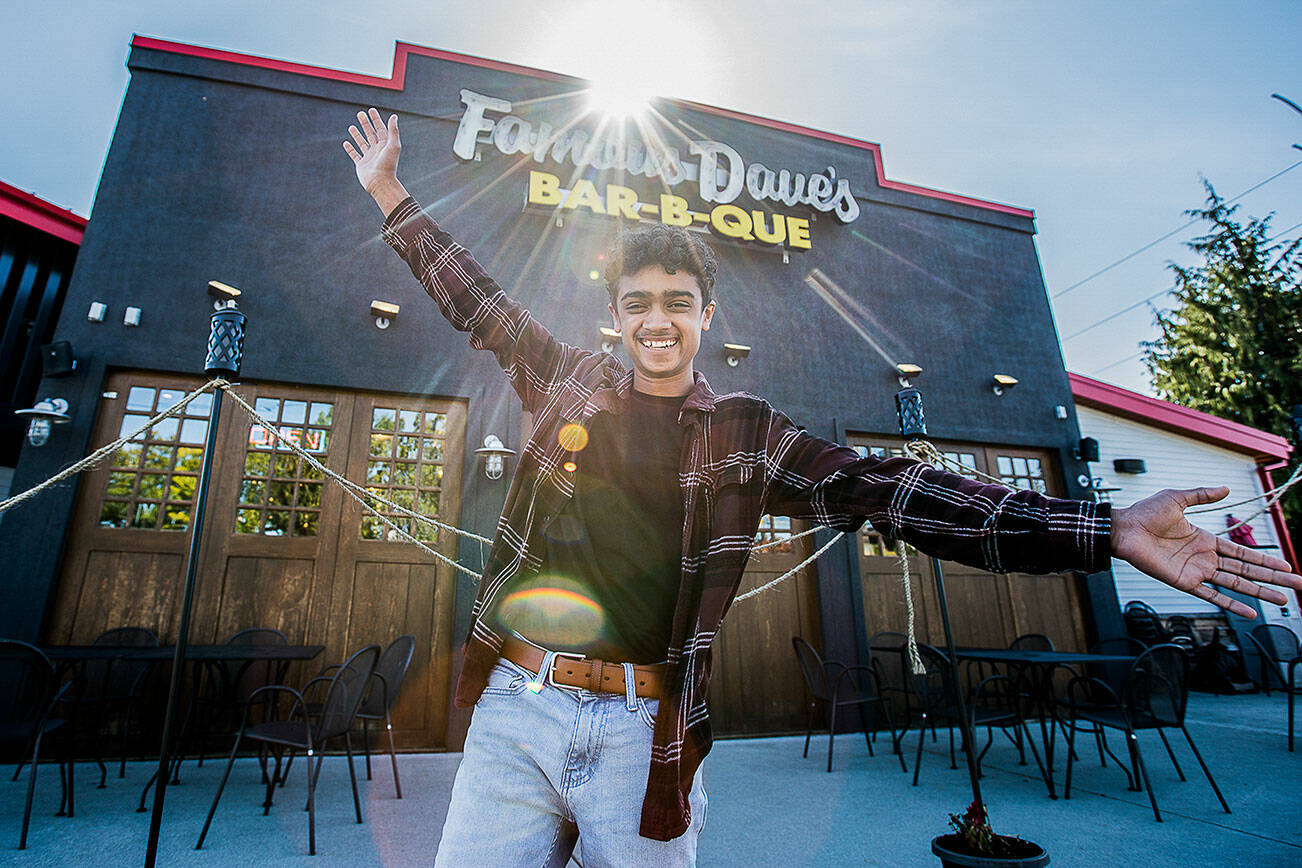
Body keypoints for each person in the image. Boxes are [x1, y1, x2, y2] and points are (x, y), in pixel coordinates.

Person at [342, 107, 1301, 866]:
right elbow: (479, 299)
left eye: (678, 302)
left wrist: (1103, 528)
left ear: (706, 313)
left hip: (645, 732)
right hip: (519, 705)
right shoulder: (567, 384)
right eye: (639, 304)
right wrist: (390, 195)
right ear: (616, 316)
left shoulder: (746, 433)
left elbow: (897, 491)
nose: (658, 321)